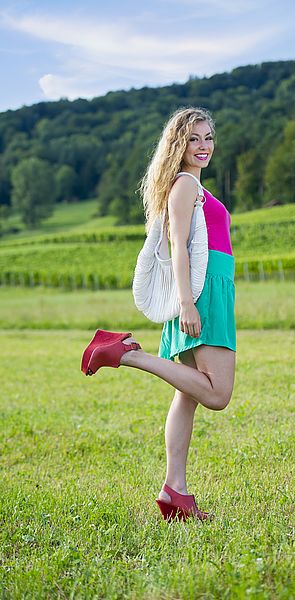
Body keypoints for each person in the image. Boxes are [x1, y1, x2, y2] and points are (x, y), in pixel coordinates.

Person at [81, 106, 237, 522]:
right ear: (179, 145)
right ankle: (127, 353)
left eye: (208, 137)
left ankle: (175, 492)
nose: (203, 146)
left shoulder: (190, 184)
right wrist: (187, 302)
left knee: (187, 395)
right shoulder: (185, 185)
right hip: (202, 293)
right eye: (194, 139)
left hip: (206, 289)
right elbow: (178, 247)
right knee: (217, 394)